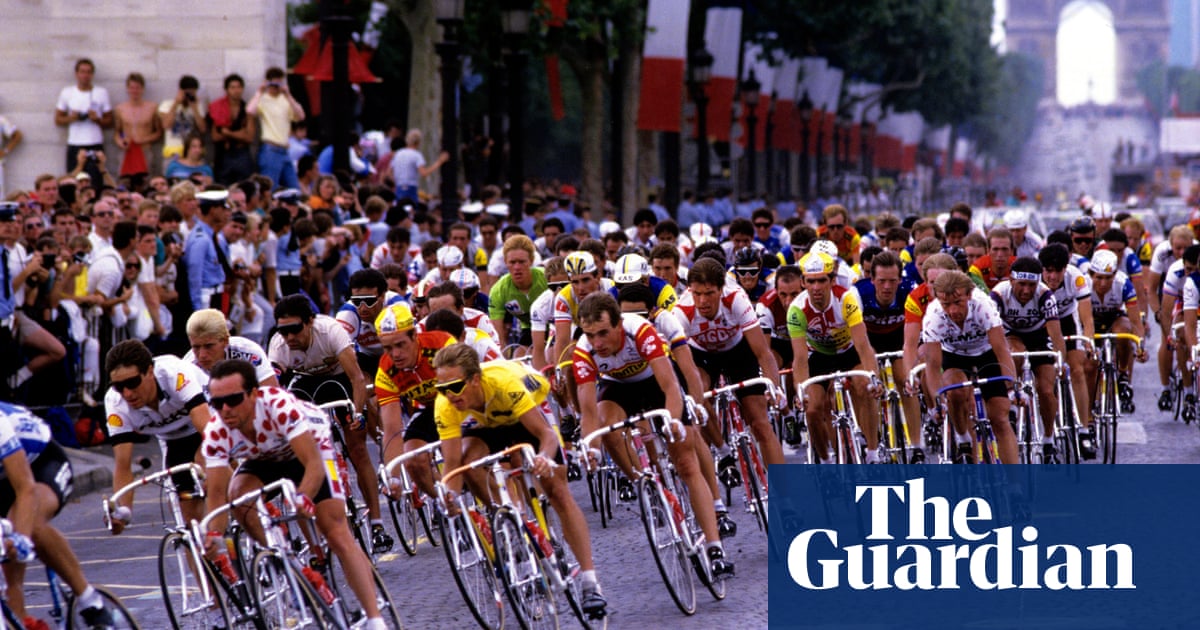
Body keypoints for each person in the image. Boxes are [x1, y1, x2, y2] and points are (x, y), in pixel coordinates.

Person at [201, 359, 388, 630]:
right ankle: (285, 559)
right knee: (238, 496)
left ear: (254, 394)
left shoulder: (278, 407)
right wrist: (214, 536)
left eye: (233, 399)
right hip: (264, 457)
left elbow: (313, 464)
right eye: (218, 403)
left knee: (335, 530)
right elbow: (217, 495)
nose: (225, 409)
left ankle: (374, 618)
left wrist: (303, 498)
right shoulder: (216, 431)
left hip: (310, 448)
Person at [434, 343, 612, 615]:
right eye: (442, 388)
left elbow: (546, 435)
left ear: (475, 380)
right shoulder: (446, 405)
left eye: (455, 386)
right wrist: (451, 498)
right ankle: (505, 517)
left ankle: (590, 582)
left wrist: (543, 458)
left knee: (557, 490)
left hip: (526, 407)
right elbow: (452, 464)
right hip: (486, 424)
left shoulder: (504, 383)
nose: (449, 394)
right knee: (468, 463)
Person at [268, 295, 391, 552]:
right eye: (283, 331)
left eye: (295, 329)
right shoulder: (278, 345)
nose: (289, 337)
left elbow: (357, 379)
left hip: (339, 381)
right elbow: (274, 391)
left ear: (310, 322)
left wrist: (358, 414)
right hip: (303, 384)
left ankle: (377, 524)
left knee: (357, 448)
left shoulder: (331, 331)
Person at [0, 401, 119, 628]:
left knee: (30, 526)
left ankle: (90, 601)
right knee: (8, 572)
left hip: (41, 465)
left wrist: (21, 538)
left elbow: (26, 489)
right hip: (3, 480)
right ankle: (20, 621)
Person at [103, 339, 212, 536]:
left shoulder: (174, 373)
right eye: (119, 386)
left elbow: (209, 434)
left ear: (150, 372)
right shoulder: (115, 402)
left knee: (215, 478)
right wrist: (122, 513)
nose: (127, 393)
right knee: (190, 525)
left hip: (210, 421)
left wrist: (210, 470)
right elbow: (123, 464)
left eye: (133, 383)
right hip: (173, 439)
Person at [788, 252, 880, 463]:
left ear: (831, 280)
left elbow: (863, 345)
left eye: (822, 280)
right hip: (819, 356)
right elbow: (800, 359)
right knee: (812, 410)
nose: (816, 287)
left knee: (864, 386)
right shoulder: (796, 310)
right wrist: (800, 390)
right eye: (811, 281)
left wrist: (873, 377)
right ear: (803, 282)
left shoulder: (846, 299)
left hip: (849, 351)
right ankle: (826, 461)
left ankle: (873, 453)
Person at [921, 270, 1018, 464]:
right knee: (955, 391)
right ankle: (963, 437)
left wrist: (1012, 387)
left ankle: (1015, 479)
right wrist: (938, 401)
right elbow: (932, 366)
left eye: (958, 302)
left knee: (1000, 418)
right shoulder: (933, 316)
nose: (952, 311)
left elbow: (1002, 350)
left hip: (986, 353)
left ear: (969, 295)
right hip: (954, 356)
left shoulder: (983, 306)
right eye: (946, 304)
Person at [183, 308, 277, 386]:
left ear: (225, 341)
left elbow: (271, 394)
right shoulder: (187, 366)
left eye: (209, 346)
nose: (202, 355)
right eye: (196, 347)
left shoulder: (249, 352)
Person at [247, 67, 305, 190]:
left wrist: (288, 94)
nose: (275, 87)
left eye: (278, 83)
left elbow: (301, 116)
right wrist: (259, 92)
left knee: (294, 188)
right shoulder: (263, 99)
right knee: (270, 188)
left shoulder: (285, 100)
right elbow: (250, 111)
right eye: (273, 84)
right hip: (270, 149)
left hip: (285, 149)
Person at [53, 59, 112, 178]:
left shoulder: (101, 92)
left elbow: (110, 121)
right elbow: (58, 120)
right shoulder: (67, 92)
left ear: (92, 75)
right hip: (75, 143)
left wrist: (97, 119)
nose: (85, 75)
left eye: (89, 72)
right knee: (73, 180)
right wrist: (72, 118)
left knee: (96, 180)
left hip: (95, 143)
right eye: (82, 72)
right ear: (76, 74)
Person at [183, 190, 231, 311]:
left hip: (216, 294)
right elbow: (195, 275)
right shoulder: (201, 239)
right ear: (213, 210)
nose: (225, 212)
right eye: (222, 208)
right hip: (206, 297)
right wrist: (197, 307)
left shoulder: (210, 235)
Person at [113, 73, 162, 184]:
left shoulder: (152, 107)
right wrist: (120, 142)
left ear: (142, 89)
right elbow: (117, 132)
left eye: (137, 88)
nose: (134, 91)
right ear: (127, 89)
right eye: (132, 88)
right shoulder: (120, 109)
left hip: (145, 150)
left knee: (146, 182)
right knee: (124, 182)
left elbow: (159, 132)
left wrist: (144, 139)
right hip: (127, 151)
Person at [209, 74, 256, 185]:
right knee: (222, 187)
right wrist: (240, 134)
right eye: (232, 87)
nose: (236, 91)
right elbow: (215, 136)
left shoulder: (247, 109)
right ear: (227, 90)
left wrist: (228, 133)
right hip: (223, 155)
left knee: (245, 187)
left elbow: (249, 137)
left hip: (242, 154)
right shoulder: (218, 107)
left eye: (239, 87)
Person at [391, 129, 448, 202]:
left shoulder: (398, 154)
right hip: (410, 188)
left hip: (398, 188)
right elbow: (424, 173)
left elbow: (389, 172)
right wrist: (439, 162)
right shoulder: (416, 155)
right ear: (418, 142)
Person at [158, 75, 207, 161]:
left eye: (192, 92)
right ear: (180, 91)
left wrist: (195, 108)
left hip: (192, 151)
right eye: (187, 93)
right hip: (173, 151)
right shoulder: (167, 104)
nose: (189, 96)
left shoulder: (198, 106)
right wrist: (176, 103)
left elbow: (203, 129)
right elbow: (166, 125)